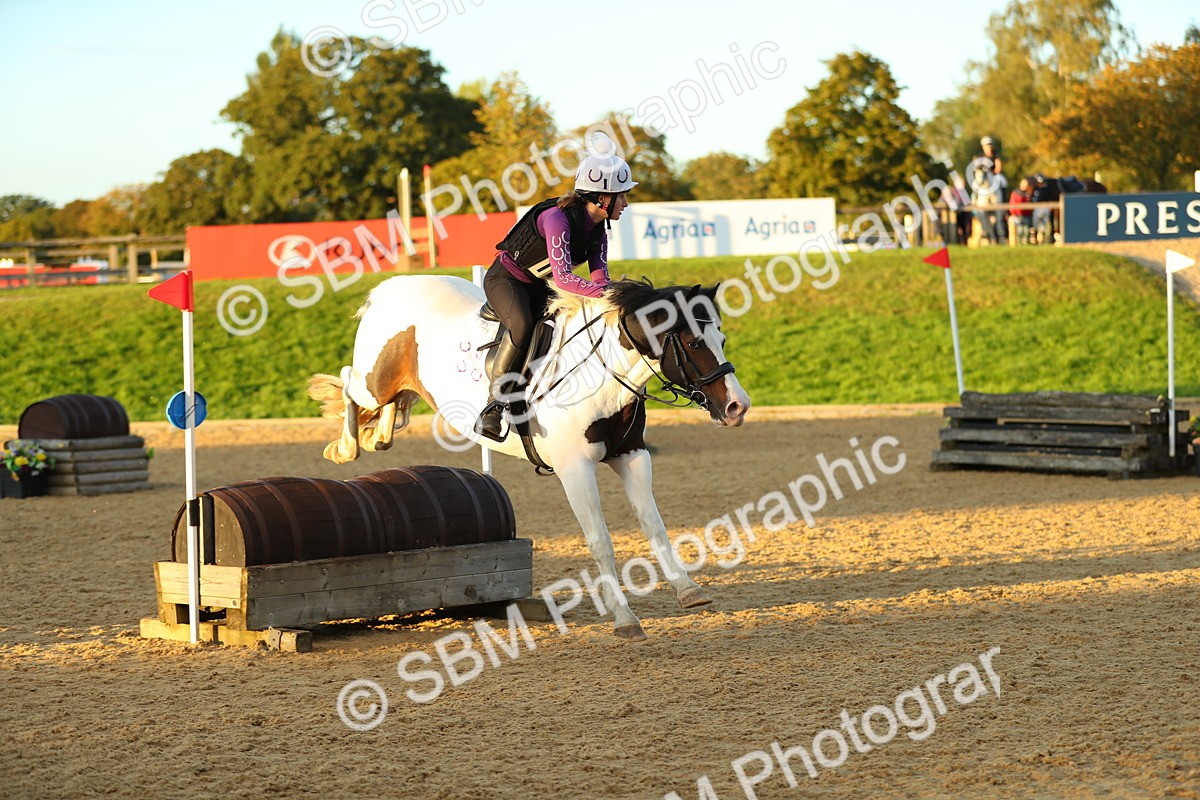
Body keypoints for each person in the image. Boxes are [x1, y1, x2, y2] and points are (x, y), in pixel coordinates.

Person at [473, 132, 636, 442]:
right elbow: (564, 279)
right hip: (506, 280)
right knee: (521, 326)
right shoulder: (557, 219)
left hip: (541, 286)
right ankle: (494, 404)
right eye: (622, 195)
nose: (625, 202)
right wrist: (608, 294)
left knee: (570, 324)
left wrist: (612, 296)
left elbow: (599, 277)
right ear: (601, 198)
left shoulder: (599, 227)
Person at [1008, 178, 1033, 244]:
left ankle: (1026, 244)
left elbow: (1030, 204)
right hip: (1018, 215)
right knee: (1020, 231)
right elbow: (1012, 203)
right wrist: (1014, 213)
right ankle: (1019, 244)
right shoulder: (1016, 193)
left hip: (1026, 215)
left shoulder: (1028, 193)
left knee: (1026, 231)